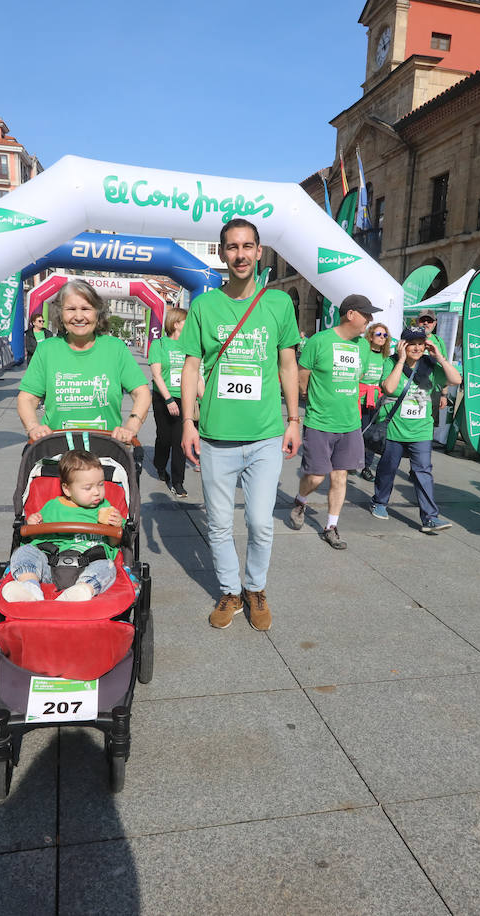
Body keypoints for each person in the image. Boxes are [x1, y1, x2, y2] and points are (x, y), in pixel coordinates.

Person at [181, 218, 300, 630]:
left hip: (266, 434)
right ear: (221, 253)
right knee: (217, 523)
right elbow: (191, 367)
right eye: (232, 247)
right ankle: (230, 592)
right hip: (216, 436)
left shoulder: (279, 304)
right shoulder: (204, 306)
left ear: (259, 251)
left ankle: (255, 588)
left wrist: (294, 419)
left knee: (260, 522)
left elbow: (288, 364)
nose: (241, 254)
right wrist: (188, 424)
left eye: (248, 246)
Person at [287, 294, 380, 549]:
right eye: (366, 314)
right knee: (316, 477)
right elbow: (302, 375)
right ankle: (300, 500)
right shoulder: (319, 341)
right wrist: (312, 399)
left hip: (350, 424)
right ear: (351, 314)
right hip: (320, 421)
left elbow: (357, 377)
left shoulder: (362, 346)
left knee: (340, 477)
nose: (369, 320)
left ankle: (331, 526)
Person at [18, 279, 150, 444]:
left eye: (86, 309)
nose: (78, 316)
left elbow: (142, 393)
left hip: (106, 450)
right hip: (56, 450)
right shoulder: (47, 349)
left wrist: (132, 426)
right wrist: (33, 427)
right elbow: (26, 398)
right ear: (60, 313)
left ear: (97, 312)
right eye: (71, 309)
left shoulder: (115, 348)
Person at [0, 449, 124, 603]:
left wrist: (115, 527)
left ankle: (83, 589)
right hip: (51, 564)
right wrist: (33, 525)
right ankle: (29, 586)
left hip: (89, 564)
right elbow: (34, 537)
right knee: (25, 551)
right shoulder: (53, 507)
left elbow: (115, 544)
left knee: (108, 567)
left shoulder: (107, 508)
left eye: (100, 484)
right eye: (88, 488)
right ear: (67, 489)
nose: (97, 492)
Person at [370, 325, 463, 531]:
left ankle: (430, 517)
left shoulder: (430, 364)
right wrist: (401, 359)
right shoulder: (391, 362)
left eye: (421, 344)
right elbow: (389, 388)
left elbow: (456, 379)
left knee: (423, 471)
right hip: (395, 428)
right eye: (412, 344)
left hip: (421, 429)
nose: (418, 348)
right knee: (388, 469)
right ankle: (380, 501)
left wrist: (439, 357)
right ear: (403, 345)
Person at [147, 307, 191, 498]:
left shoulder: (190, 345)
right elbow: (156, 375)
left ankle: (178, 481)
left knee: (180, 440)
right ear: (176, 323)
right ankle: (159, 464)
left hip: (185, 397)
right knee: (164, 438)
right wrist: (168, 399)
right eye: (186, 321)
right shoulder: (159, 345)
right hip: (163, 397)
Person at [358, 321, 392, 481]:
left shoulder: (386, 357)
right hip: (360, 398)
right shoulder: (363, 352)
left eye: (385, 335)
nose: (382, 337)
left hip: (377, 400)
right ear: (370, 336)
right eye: (378, 334)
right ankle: (351, 461)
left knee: (373, 435)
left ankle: (366, 466)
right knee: (358, 431)